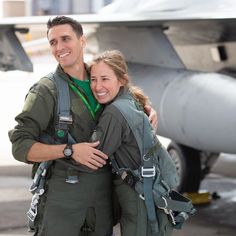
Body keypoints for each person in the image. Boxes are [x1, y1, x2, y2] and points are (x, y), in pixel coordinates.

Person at [8, 16, 157, 236]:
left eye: (65, 39)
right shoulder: (45, 91)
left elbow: (128, 98)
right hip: (63, 202)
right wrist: (69, 150)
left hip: (102, 201)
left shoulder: (101, 78)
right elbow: (20, 146)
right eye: (53, 42)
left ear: (82, 41)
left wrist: (147, 112)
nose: (59, 47)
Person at [89, 50, 180, 236]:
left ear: (121, 80)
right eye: (93, 79)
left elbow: (93, 156)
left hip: (138, 195)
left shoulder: (114, 113)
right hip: (150, 189)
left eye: (105, 79)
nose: (97, 86)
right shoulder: (130, 100)